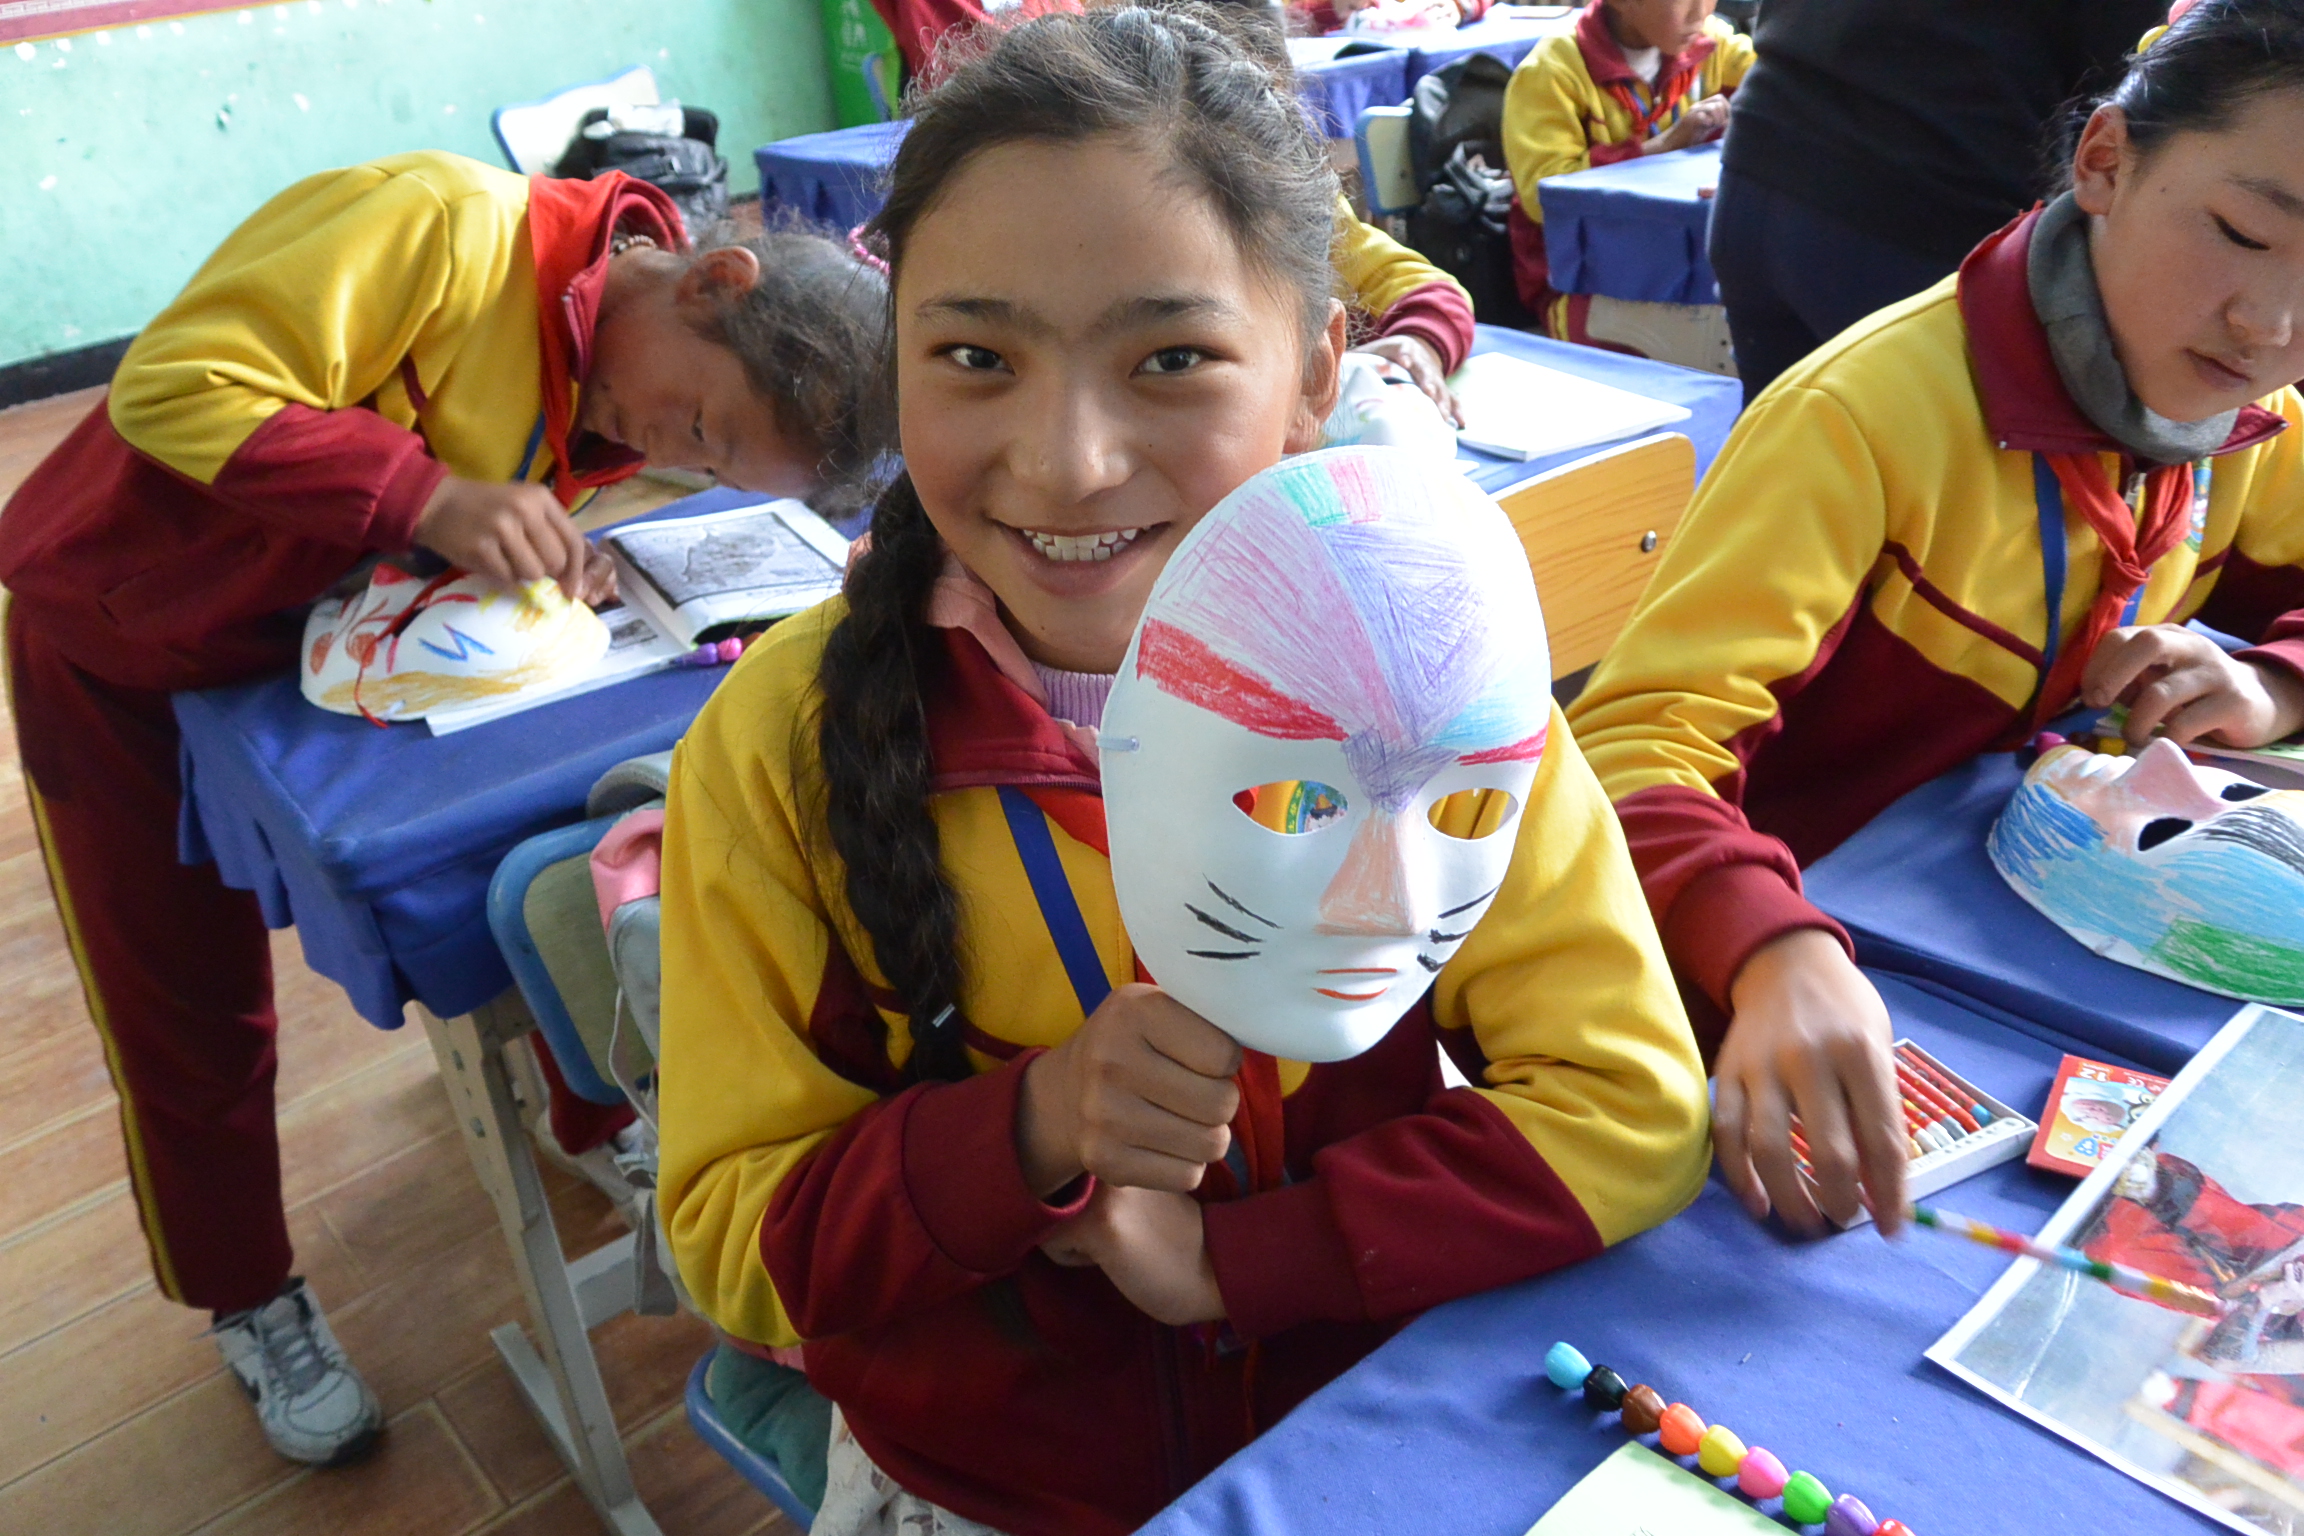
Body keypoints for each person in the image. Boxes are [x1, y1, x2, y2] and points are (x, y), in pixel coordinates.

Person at [654, 10, 1711, 1535]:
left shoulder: (1426, 661)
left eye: (1171, 360)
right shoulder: (779, 744)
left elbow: (1632, 1105)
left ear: (1315, 372)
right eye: (974, 357)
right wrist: (1030, 1129)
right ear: (899, 363)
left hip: (1367, 1449)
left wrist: (1243, 1260)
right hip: (992, 1491)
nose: (1069, 460)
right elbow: (731, 1240)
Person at [0, 150, 885, 1467]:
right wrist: (432, 500)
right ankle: (248, 1294)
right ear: (716, 280)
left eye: (705, 463)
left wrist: (525, 546)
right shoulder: (442, 228)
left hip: (330, 634)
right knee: (179, 995)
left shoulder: (611, 357)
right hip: (123, 628)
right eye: (699, 428)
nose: (666, 454)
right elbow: (173, 387)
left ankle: (595, 1111)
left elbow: (480, 461)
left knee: (530, 848)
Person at [1565, 0, 2304, 1239]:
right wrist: (1768, 948)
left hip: (2007, 926)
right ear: (2105, 162)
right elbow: (1631, 747)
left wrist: (2273, 682)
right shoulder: (1861, 422)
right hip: (1762, 981)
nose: (2271, 327)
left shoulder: (2250, 419)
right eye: (2241, 233)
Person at [1708, 0, 2166, 401]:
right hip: (1915, 203)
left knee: (1781, 453)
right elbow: (2134, 93)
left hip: (1763, 156)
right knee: (1927, 459)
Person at [1500, 0, 1752, 349]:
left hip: (1682, 256)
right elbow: (1543, 197)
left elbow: (1777, 83)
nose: (1701, 12)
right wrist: (1663, 147)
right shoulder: (1552, 71)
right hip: (1584, 278)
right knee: (1712, 345)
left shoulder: (1709, 42)